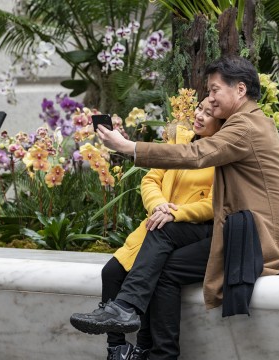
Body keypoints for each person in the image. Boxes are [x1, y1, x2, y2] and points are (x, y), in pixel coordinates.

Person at [70, 55, 279, 360]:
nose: (208, 99)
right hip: (239, 230)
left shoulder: (246, 126)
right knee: (164, 245)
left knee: (165, 252)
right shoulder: (247, 122)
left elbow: (197, 154)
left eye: (214, 90)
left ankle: (139, 329)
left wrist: (128, 148)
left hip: (256, 242)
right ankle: (135, 325)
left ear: (240, 89)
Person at [99, 98, 223, 360]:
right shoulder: (179, 140)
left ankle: (143, 347)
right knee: (111, 272)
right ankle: (117, 348)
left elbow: (214, 204)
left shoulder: (221, 154)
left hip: (185, 230)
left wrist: (174, 213)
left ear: (221, 121)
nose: (199, 115)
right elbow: (151, 179)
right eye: (199, 108)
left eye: (208, 113)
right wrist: (159, 207)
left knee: (154, 276)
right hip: (158, 222)